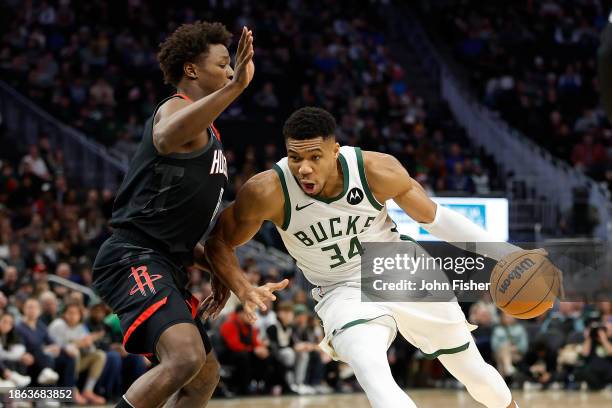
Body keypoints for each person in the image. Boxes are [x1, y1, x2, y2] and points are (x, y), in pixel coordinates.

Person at [203, 107, 524, 408]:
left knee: (473, 371)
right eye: (295, 157)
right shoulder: (267, 191)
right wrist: (243, 288)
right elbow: (219, 242)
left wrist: (505, 252)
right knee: (371, 368)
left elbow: (434, 217)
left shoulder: (375, 170)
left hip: (397, 267)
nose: (304, 168)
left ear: (335, 151)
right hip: (339, 288)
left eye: (315, 157)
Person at [91, 20, 286, 408]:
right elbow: (164, 137)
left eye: (232, 66)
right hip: (132, 256)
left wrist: (231, 280)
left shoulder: (210, 135)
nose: (231, 70)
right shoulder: (175, 110)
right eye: (222, 64)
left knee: (204, 376)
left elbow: (194, 239)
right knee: (185, 357)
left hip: (167, 260)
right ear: (192, 70)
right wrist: (236, 89)